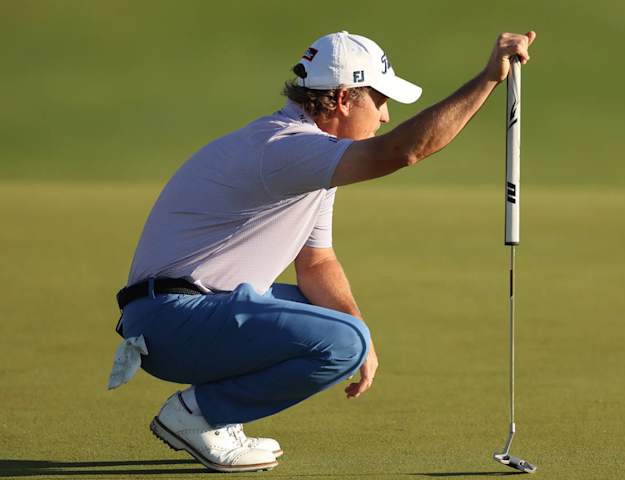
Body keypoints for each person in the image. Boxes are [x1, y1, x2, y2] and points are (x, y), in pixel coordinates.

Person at [109, 30, 536, 473]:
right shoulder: (287, 148)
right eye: (379, 99)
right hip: (173, 320)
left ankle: (216, 415)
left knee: (346, 331)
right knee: (340, 341)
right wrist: (488, 79)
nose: (386, 115)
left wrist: (360, 331)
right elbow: (403, 151)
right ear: (344, 98)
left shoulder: (309, 160)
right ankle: (199, 414)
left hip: (186, 314)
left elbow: (316, 263)